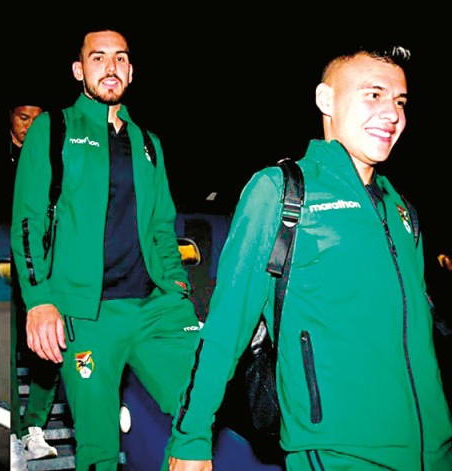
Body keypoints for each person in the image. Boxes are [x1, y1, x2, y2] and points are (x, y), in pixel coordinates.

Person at [168, 45, 452, 471]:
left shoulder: (402, 209)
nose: (392, 114)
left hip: (436, 451)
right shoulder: (281, 191)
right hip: (338, 453)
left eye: (400, 101)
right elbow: (226, 326)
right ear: (326, 100)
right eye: (373, 95)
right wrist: (191, 437)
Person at [10, 28, 200, 471]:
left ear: (131, 72)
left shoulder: (149, 143)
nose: (110, 67)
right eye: (98, 58)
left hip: (156, 310)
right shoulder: (52, 129)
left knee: (199, 412)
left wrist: (177, 288)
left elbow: (161, 225)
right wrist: (39, 301)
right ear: (79, 70)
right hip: (87, 317)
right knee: (98, 450)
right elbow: (28, 222)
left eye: (120, 58)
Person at [6, 101, 60, 469]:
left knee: (50, 344)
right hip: (6, 269)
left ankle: (34, 429)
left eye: (38, 119)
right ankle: (11, 432)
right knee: (5, 352)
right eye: (24, 118)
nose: (31, 125)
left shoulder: (55, 159)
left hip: (46, 268)